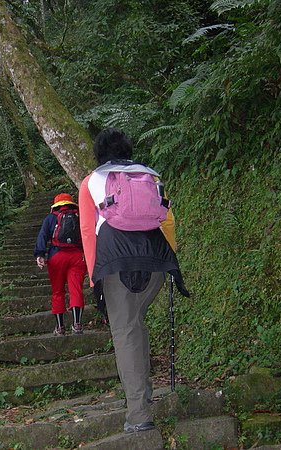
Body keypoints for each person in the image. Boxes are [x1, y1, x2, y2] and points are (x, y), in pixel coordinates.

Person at [78, 128, 190, 434]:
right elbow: (167, 218)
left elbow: (88, 231)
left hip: (116, 263)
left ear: (99, 154)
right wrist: (170, 258)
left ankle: (139, 414)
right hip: (155, 259)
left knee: (126, 332)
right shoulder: (149, 176)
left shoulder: (91, 182)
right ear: (128, 150)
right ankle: (143, 397)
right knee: (134, 325)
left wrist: (93, 277)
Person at [34, 193, 87, 336]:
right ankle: (77, 325)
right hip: (77, 257)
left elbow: (43, 235)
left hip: (57, 257)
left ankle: (60, 327)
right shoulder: (80, 216)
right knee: (76, 289)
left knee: (58, 292)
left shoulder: (50, 218)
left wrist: (40, 254)